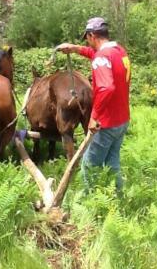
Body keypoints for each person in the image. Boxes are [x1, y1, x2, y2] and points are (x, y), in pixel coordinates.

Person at [56, 17, 131, 194]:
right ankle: (118, 198)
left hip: (106, 123)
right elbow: (95, 54)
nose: (88, 43)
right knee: (112, 163)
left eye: (87, 39)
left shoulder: (101, 58)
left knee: (88, 167)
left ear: (92, 35)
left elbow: (106, 87)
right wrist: (74, 49)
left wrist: (94, 116)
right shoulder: (119, 51)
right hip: (122, 121)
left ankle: (89, 205)